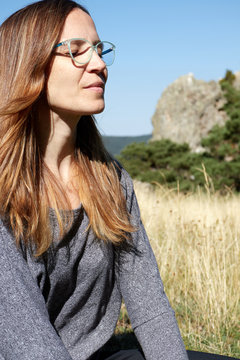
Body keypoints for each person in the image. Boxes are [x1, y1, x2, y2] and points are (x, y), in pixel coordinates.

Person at [0, 1, 189, 359]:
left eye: (100, 50)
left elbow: (150, 310)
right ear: (29, 63)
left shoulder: (111, 180)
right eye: (77, 50)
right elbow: (30, 347)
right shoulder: (4, 192)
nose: (99, 64)